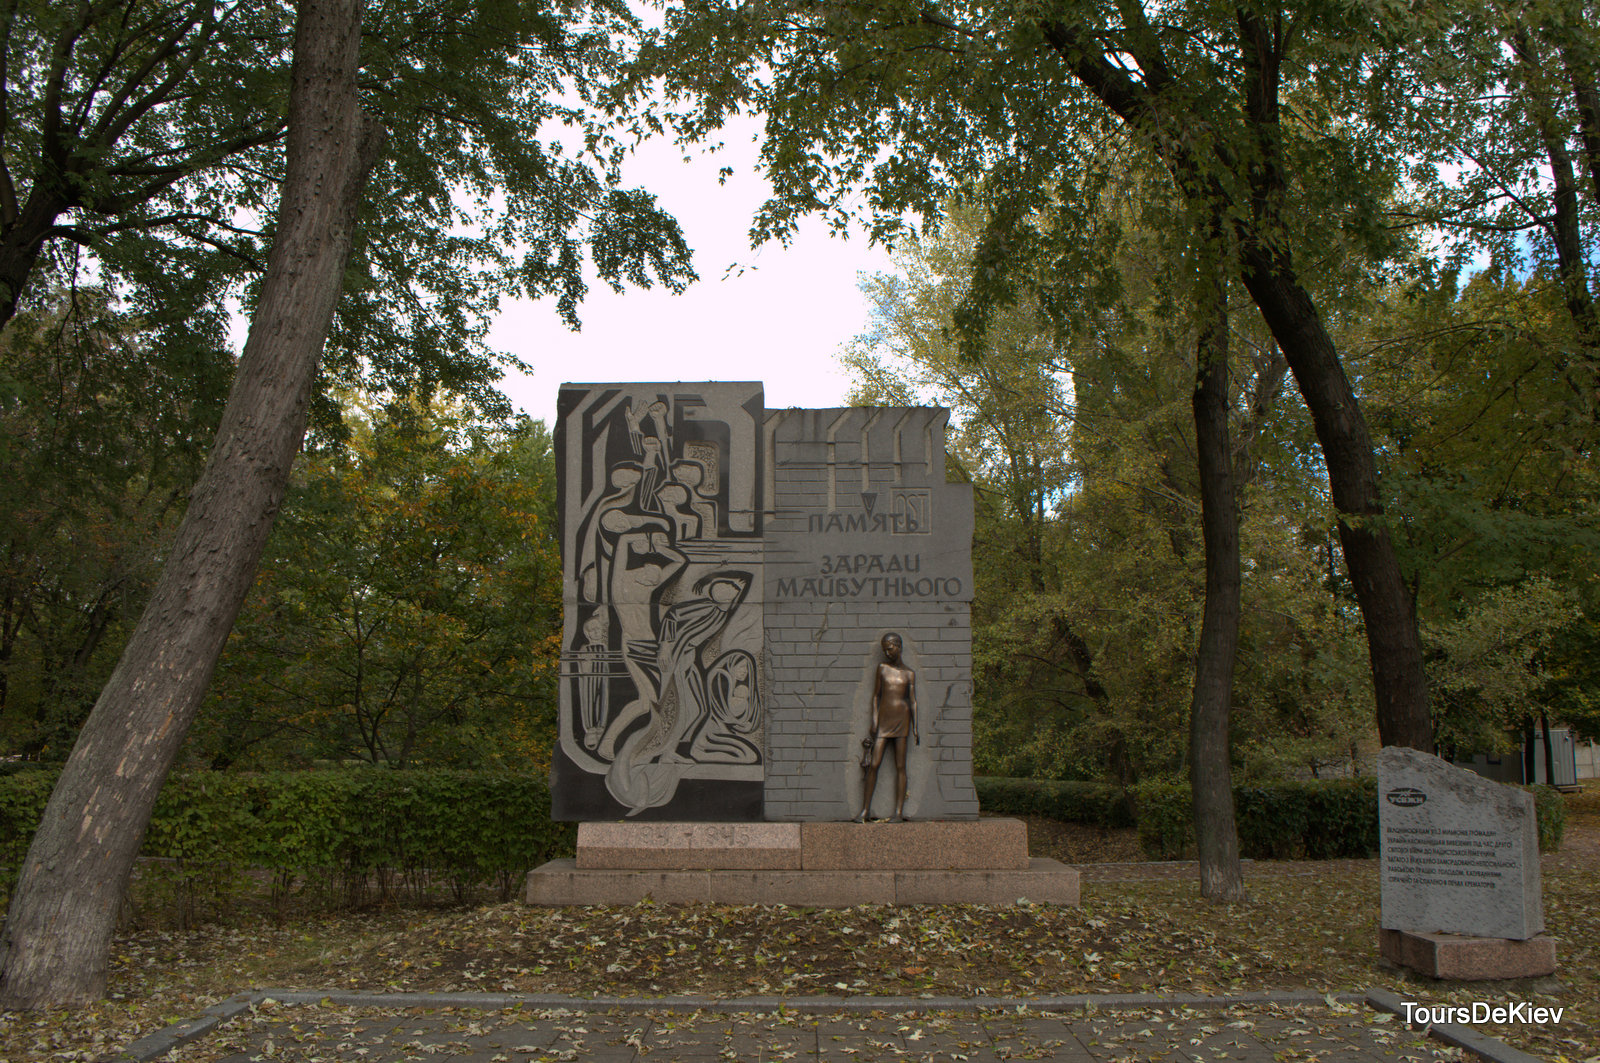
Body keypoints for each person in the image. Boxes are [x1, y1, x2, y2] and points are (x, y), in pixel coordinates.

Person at [858, 632, 919, 822]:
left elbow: (913, 701)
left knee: (901, 766)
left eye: (890, 647)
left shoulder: (909, 673)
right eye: (884, 648)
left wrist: (915, 727)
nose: (887, 652)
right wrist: (874, 720)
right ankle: (865, 811)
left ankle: (898, 812)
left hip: (902, 720)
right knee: (874, 764)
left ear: (899, 646)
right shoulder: (882, 669)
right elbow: (876, 696)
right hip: (884, 721)